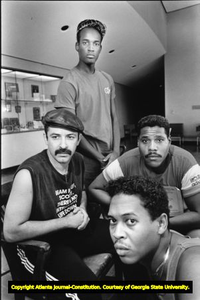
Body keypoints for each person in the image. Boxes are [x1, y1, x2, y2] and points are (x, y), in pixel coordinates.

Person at [3, 108, 114, 300]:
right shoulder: (29, 174)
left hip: (73, 232)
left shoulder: (77, 159)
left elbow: (83, 191)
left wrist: (83, 208)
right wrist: (66, 222)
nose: (63, 145)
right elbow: (11, 232)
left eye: (70, 137)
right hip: (43, 246)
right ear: (45, 138)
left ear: (78, 140)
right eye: (55, 137)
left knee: (128, 236)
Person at [89, 115, 200, 237]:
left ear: (169, 141)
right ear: (138, 142)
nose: (152, 148)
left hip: (177, 221)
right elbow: (94, 188)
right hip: (138, 223)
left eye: (159, 140)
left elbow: (198, 213)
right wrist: (124, 206)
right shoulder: (126, 161)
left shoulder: (185, 162)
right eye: (145, 141)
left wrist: (158, 223)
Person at [107, 176, 200, 300]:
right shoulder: (149, 255)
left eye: (131, 221)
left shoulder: (193, 265)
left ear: (161, 223)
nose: (117, 234)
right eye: (113, 220)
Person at [54, 19, 120, 188]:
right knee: (88, 207)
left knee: (113, 204)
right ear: (77, 46)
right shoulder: (69, 83)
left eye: (96, 43)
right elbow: (70, 130)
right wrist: (100, 158)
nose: (91, 48)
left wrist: (116, 152)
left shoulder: (107, 79)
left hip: (111, 156)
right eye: (85, 42)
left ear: (100, 48)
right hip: (86, 159)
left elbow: (114, 118)